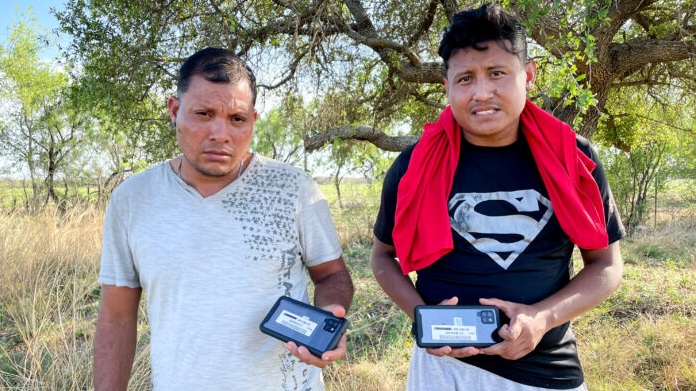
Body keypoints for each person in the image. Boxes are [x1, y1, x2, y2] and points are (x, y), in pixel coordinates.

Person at [371, 4, 624, 390]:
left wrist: (541, 318)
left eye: (497, 73)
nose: (481, 93)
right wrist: (424, 317)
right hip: (442, 371)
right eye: (465, 79)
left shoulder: (573, 157)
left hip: (545, 372)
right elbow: (382, 256)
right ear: (447, 87)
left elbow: (606, 266)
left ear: (529, 75)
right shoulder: (415, 164)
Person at [93, 47, 354, 391]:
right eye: (203, 113)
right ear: (175, 110)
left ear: (253, 121)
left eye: (237, 119)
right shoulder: (132, 199)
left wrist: (328, 315)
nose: (221, 133)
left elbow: (332, 274)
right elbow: (116, 317)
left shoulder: (295, 189)